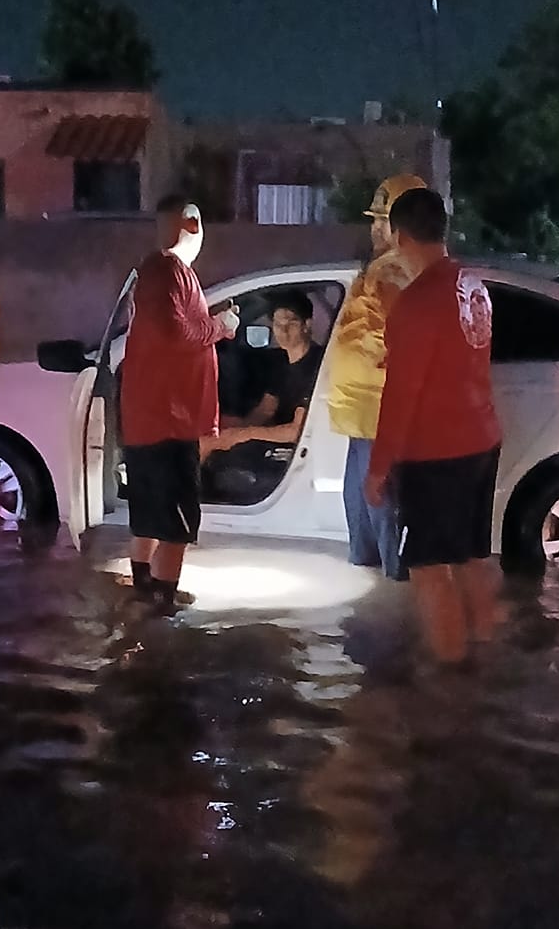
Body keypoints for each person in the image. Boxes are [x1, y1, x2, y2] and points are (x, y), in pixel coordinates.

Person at [364, 187, 502, 667]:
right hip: (481, 440)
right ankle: (484, 656)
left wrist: (377, 469)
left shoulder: (418, 302)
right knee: (471, 556)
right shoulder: (472, 287)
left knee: (427, 567)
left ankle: (450, 677)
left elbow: (401, 394)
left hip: (436, 453)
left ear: (400, 237)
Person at [118, 195, 237, 611]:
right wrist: (221, 326)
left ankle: (145, 587)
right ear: (192, 226)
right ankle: (163, 603)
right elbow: (177, 334)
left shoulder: (156, 272)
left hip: (152, 420)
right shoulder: (169, 273)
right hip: (168, 422)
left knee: (151, 514)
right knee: (176, 524)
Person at [327, 174, 428, 578]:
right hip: (361, 413)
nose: (375, 228)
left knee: (382, 508)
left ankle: (395, 591)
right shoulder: (382, 268)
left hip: (379, 411)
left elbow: (396, 339)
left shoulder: (399, 270)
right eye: (375, 220)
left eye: (383, 220)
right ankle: (376, 586)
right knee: (363, 507)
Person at [201, 287, 323, 497]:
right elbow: (266, 410)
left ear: (307, 325)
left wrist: (244, 434)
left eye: (291, 323)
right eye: (277, 324)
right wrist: (229, 431)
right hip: (274, 436)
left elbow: (297, 431)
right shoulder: (281, 362)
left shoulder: (315, 365)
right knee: (207, 440)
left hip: (297, 447)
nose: (283, 331)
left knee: (221, 454)